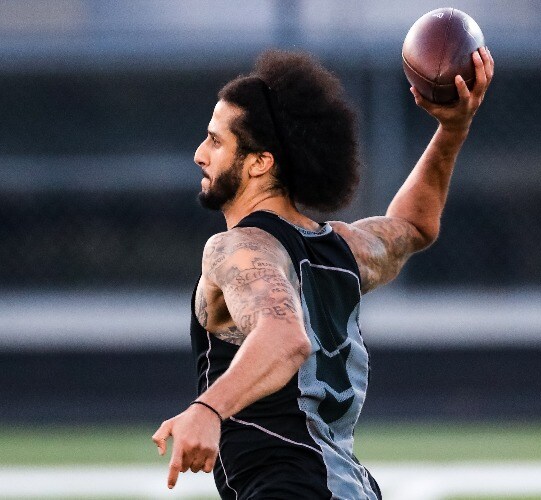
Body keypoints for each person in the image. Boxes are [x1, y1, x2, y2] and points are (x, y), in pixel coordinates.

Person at [152, 47, 494, 498]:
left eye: (216, 141)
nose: (200, 154)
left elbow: (284, 337)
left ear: (259, 162)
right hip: (348, 486)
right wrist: (452, 129)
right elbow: (413, 226)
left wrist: (208, 409)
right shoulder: (344, 249)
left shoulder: (238, 247)